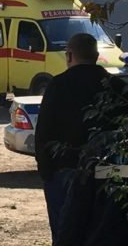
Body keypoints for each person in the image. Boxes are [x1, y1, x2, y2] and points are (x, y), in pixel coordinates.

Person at [34, 33, 110, 244]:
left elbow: (44, 131)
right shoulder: (114, 86)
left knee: (64, 233)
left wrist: (46, 171)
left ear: (69, 56)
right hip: (108, 173)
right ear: (96, 56)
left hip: (65, 169)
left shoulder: (58, 85)